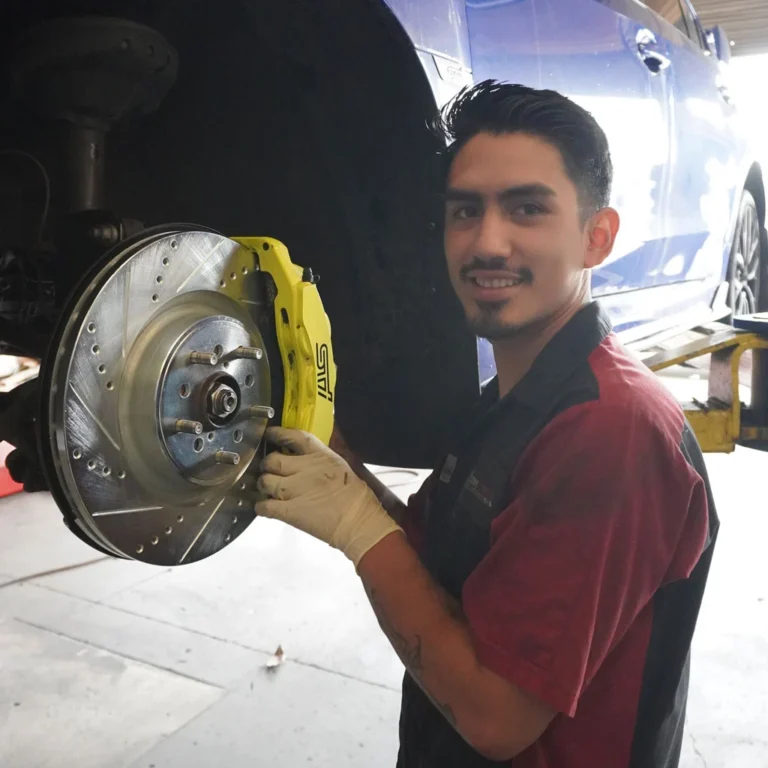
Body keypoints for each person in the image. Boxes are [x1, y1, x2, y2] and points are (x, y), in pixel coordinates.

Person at [254, 81, 719, 767]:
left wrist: (356, 525)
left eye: (527, 209)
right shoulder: (514, 397)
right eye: (464, 211)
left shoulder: (611, 432)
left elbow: (495, 716)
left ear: (598, 236)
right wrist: (345, 475)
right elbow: (440, 567)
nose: (487, 242)